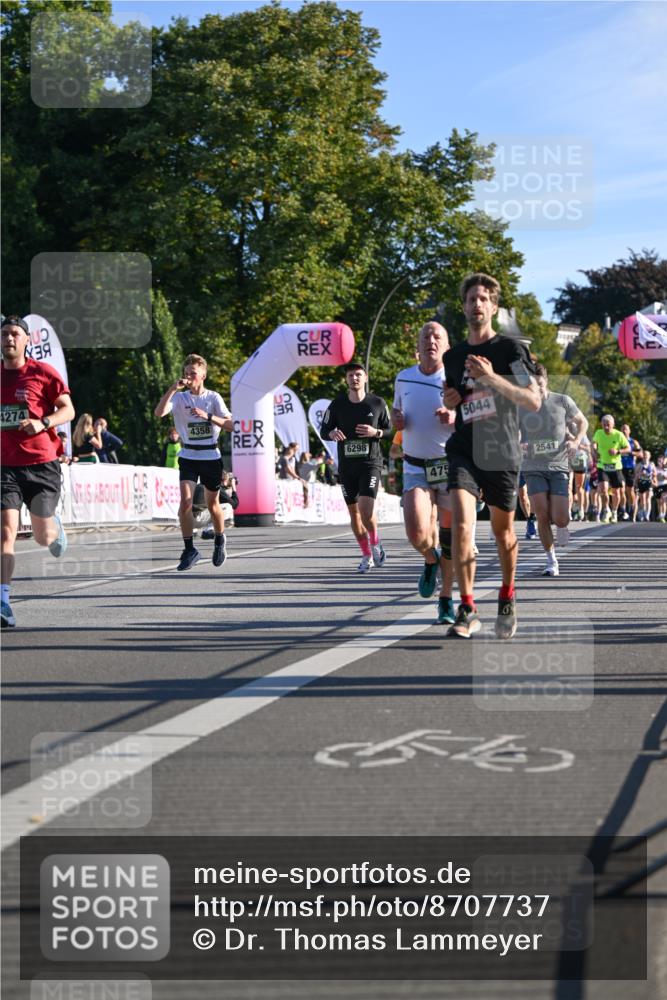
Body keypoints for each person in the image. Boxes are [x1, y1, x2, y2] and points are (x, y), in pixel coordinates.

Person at [443, 273, 540, 639]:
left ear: (494, 307)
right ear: (464, 306)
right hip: (464, 448)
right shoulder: (453, 357)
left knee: (503, 535)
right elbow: (456, 398)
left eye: (484, 298)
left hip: (501, 451)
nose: (477, 304)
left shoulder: (511, 351)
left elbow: (532, 400)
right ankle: (466, 608)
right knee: (463, 526)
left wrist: (491, 376)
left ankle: (507, 595)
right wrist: (449, 401)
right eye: (471, 299)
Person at [1, 315, 74, 628]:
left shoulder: (42, 372)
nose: (9, 339)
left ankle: (53, 524)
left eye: (15, 334)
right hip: (5, 466)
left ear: (27, 340)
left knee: (44, 538)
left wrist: (42, 423)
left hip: (42, 464)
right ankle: (4, 601)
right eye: (4, 334)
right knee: (6, 532)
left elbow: (67, 409)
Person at [392, 321, 457, 624]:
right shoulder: (403, 378)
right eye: (425, 337)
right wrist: (398, 421)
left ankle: (446, 600)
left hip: (450, 467)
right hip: (415, 466)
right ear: (417, 346)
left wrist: (454, 415)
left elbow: (477, 418)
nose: (431, 341)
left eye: (437, 337)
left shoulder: (456, 379)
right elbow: (398, 415)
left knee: (451, 538)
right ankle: (429, 560)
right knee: (417, 532)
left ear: (447, 346)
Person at [154, 354, 233, 570]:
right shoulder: (179, 398)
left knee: (212, 504)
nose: (189, 377)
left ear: (203, 375)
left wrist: (208, 416)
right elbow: (159, 413)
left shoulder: (213, 398)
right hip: (188, 456)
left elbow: (232, 425)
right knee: (186, 503)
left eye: (193, 373)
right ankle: (189, 549)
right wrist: (172, 389)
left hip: (210, 456)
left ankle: (219, 539)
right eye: (186, 373)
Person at [320, 360, 391, 572]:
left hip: (371, 464)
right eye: (350, 375)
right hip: (347, 467)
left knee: (366, 510)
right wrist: (331, 433)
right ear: (346, 379)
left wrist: (375, 432)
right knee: (354, 515)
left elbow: (390, 430)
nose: (355, 378)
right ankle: (366, 554)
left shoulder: (377, 403)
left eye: (358, 375)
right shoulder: (337, 405)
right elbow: (324, 430)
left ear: (365, 378)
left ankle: (376, 542)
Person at [519, 364, 588, 577]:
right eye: (532, 386)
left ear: (546, 381)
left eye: (539, 386)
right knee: (541, 513)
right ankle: (551, 561)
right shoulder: (523, 404)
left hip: (558, 465)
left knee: (560, 518)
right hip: (533, 466)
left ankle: (563, 525)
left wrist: (576, 441)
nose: (537, 391)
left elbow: (582, 421)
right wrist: (519, 444)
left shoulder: (562, 401)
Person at [591, 415, 630, 523]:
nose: (606, 426)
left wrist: (618, 451)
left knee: (616, 492)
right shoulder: (599, 433)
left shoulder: (619, 435)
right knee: (603, 489)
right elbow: (593, 444)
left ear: (613, 424)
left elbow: (628, 448)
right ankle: (606, 509)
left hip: (616, 467)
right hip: (602, 466)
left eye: (608, 424)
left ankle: (614, 511)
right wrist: (594, 452)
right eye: (604, 424)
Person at [619, 423, 642, 521]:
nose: (624, 431)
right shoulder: (618, 441)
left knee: (630, 490)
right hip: (619, 467)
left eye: (626, 429)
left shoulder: (634, 442)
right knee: (621, 489)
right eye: (622, 429)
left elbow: (640, 454)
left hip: (630, 468)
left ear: (629, 431)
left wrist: (630, 452)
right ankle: (623, 510)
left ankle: (632, 507)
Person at [634, 450, 657, 522]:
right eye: (644, 455)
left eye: (647, 455)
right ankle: (642, 513)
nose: (645, 456)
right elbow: (636, 475)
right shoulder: (639, 464)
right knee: (643, 500)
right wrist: (640, 474)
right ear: (643, 456)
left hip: (649, 483)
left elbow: (655, 474)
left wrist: (653, 478)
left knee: (648, 499)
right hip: (641, 483)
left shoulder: (652, 464)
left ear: (649, 456)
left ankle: (647, 515)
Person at [654, 454, 667, 522]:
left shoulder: (666, 468)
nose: (659, 462)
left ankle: (663, 516)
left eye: (661, 460)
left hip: (665, 485)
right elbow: (652, 477)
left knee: (663, 500)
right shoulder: (655, 468)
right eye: (658, 460)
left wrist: (664, 477)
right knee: (659, 502)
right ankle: (660, 515)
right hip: (657, 486)